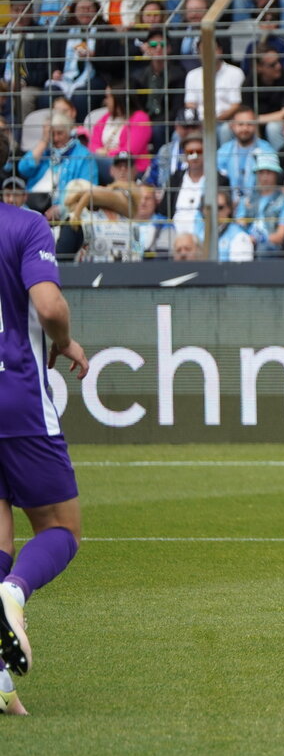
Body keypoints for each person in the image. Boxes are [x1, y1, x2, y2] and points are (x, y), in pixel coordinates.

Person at [0, 199, 90, 715]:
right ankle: (13, 592)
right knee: (62, 528)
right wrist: (65, 341)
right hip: (16, 399)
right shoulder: (25, 225)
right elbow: (50, 307)